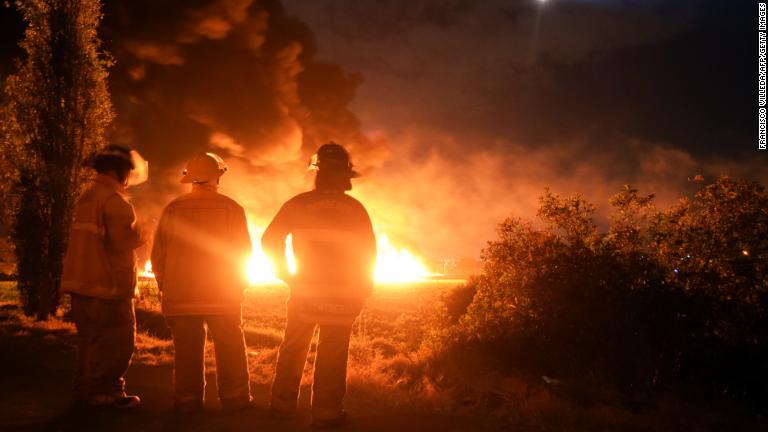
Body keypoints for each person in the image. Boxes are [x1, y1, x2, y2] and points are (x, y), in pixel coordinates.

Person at [263, 142, 376, 428]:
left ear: (318, 173)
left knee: (294, 346)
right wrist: (363, 289)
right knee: (333, 351)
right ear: (346, 177)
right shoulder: (356, 210)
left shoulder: (298, 204)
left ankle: (282, 408)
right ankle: (327, 413)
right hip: (343, 293)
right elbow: (368, 254)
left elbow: (269, 239)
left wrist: (284, 272)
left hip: (305, 289)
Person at [151, 152, 253, 414]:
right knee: (230, 346)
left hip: (181, 295)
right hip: (223, 294)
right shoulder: (231, 209)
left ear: (190, 179)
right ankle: (236, 399)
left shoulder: (173, 209)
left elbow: (158, 253)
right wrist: (239, 284)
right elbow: (242, 252)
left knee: (187, 350)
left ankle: (187, 401)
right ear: (218, 176)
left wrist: (165, 286)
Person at [61, 144, 148, 410]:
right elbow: (122, 242)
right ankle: (107, 394)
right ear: (117, 170)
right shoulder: (114, 201)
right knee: (116, 342)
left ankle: (83, 393)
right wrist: (143, 233)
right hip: (107, 287)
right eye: (126, 171)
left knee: (89, 343)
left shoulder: (88, 196)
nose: (128, 178)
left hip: (82, 284)